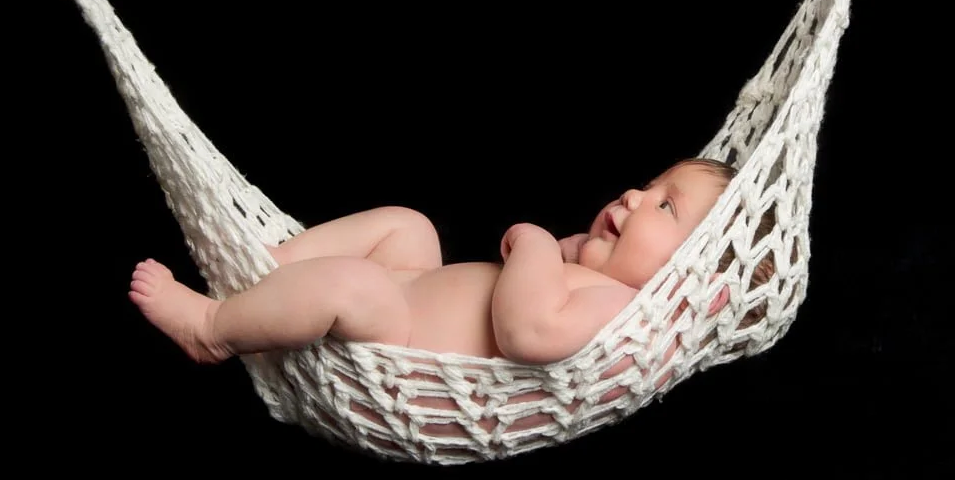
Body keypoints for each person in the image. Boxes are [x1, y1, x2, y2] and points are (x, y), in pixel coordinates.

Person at [129, 157, 736, 366]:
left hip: (399, 341)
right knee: (409, 224)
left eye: (665, 205)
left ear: (690, 271)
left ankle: (213, 331)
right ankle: (264, 267)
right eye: (651, 182)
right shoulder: (596, 279)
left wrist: (535, 244)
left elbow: (528, 330)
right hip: (408, 288)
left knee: (350, 282)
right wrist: (574, 251)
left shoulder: (620, 310)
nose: (635, 195)